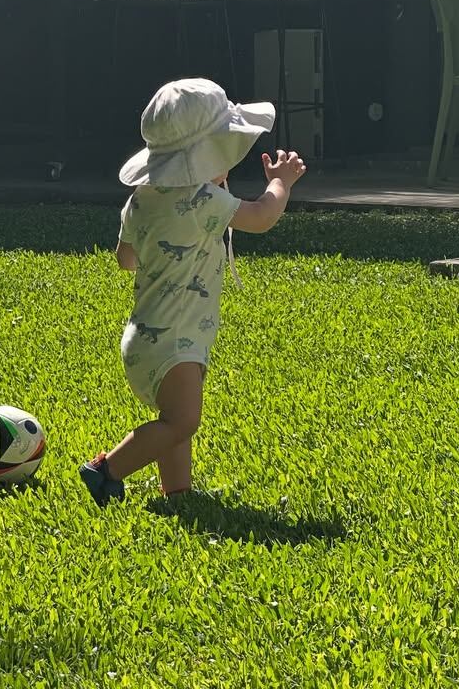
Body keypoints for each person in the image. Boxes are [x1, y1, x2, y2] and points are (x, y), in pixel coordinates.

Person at [80, 77, 307, 507]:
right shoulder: (203, 199)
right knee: (183, 422)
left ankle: (178, 493)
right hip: (177, 340)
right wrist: (282, 183)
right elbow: (260, 217)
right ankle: (106, 468)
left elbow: (125, 257)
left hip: (144, 337)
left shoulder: (142, 199)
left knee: (172, 420)